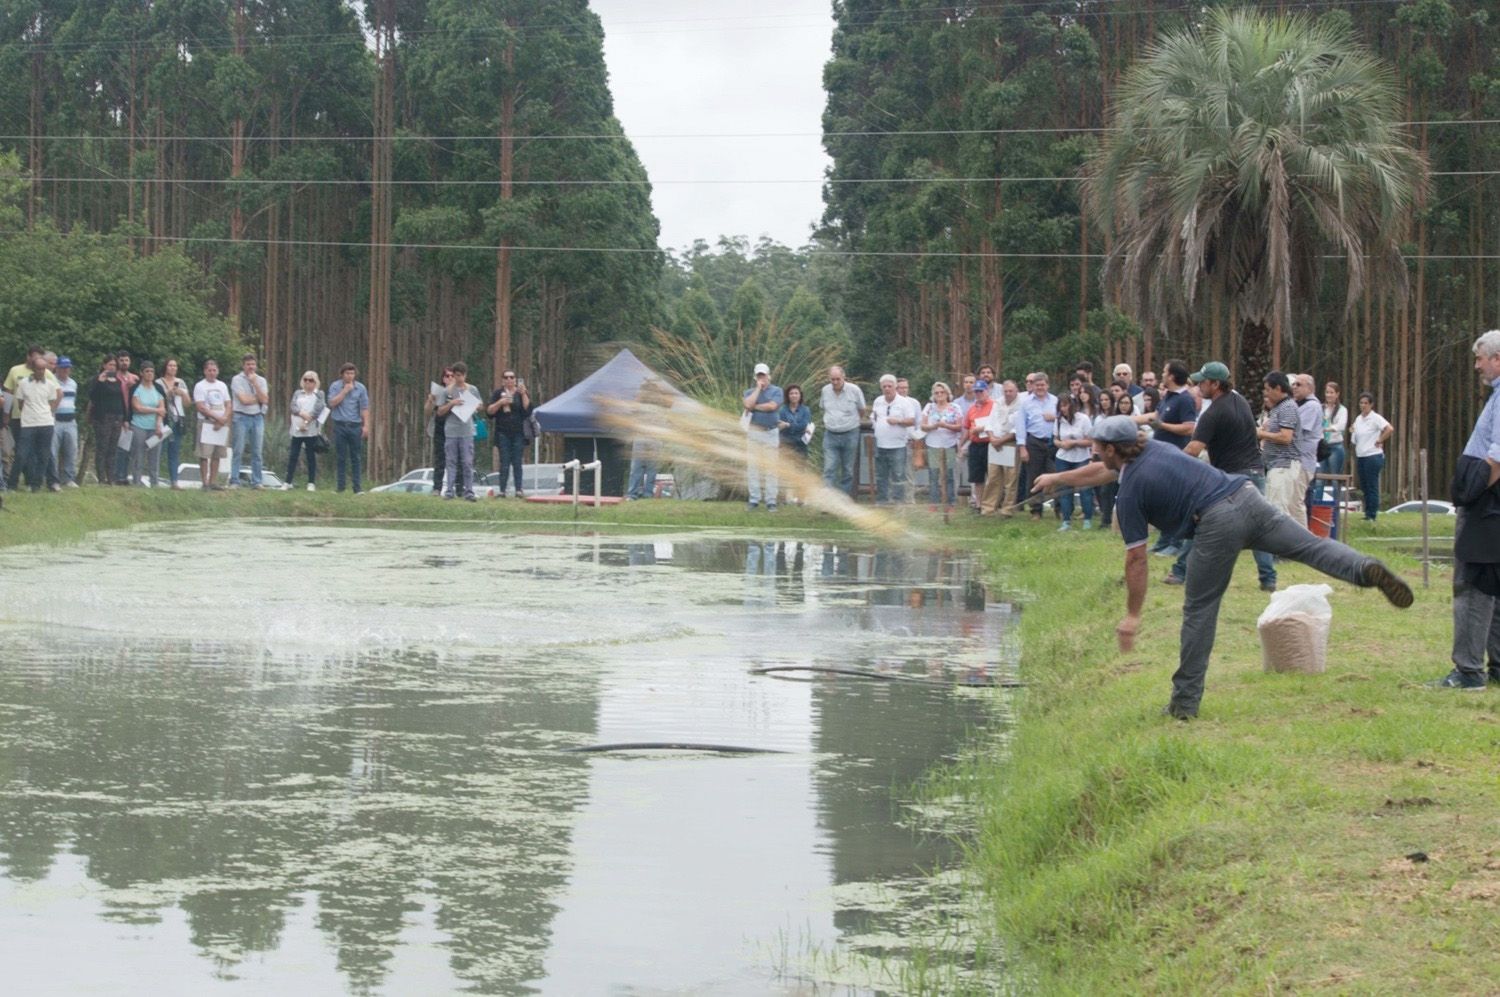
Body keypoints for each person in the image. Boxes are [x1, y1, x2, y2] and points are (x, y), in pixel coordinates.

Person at [1032, 416, 1413, 719]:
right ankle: (1366, 569)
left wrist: (1132, 615)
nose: (1096, 456)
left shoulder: (1132, 491)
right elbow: (1106, 471)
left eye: (1098, 450)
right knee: (1311, 547)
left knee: (1199, 609)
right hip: (1246, 496)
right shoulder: (1152, 449)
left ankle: (1184, 704)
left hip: (1215, 521)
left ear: (1113, 449)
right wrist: (1057, 478)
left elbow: (1136, 558)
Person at [1167, 362, 1278, 592]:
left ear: (1216, 384)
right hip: (1255, 472)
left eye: (1202, 382)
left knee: (1200, 521)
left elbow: (1193, 449)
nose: (1198, 386)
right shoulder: (1241, 402)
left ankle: (1180, 572)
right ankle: (1268, 579)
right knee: (1260, 527)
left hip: (1230, 478)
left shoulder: (1213, 413)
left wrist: (1167, 463)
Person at [1430, 330, 1500, 689]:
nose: (1477, 366)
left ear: (1498, 359)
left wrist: (1473, 491)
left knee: (1472, 583)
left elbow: (1497, 456)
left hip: (1487, 506)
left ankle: (1468, 671)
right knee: (1494, 583)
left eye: (1480, 359)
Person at [1257, 371, 1304, 524]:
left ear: (1278, 388)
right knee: (1273, 507)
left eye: (1268, 389)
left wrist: (1261, 434)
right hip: (1275, 465)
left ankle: (1285, 546)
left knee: (1278, 511)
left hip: (1284, 465)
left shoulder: (1288, 407)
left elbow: (1286, 437)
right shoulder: (1278, 407)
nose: (1266, 393)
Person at [13, 351, 61, 491]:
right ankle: (12, 483)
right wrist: (29, 413)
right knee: (22, 453)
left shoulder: (50, 384)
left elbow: (52, 401)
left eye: (43, 369)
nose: (41, 371)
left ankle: (36, 484)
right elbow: (20, 403)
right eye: (38, 368)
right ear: (33, 369)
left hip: (45, 422)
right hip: (28, 423)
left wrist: (47, 413)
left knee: (44, 455)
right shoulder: (23, 383)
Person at [437, 362, 482, 501]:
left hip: (466, 430)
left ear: (465, 375)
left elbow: (480, 405)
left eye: (461, 376)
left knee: (467, 462)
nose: (458, 379)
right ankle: (449, 491)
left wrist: (473, 406)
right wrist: (451, 404)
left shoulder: (472, 389)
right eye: (456, 376)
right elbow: (439, 411)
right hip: (451, 430)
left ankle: (469, 491)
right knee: (451, 461)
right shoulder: (447, 391)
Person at [742, 362, 784, 511]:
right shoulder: (749, 392)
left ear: (769, 376)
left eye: (764, 375)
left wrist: (755, 407)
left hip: (771, 432)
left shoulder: (777, 391)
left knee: (771, 468)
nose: (762, 378)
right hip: (754, 432)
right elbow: (747, 404)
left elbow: (772, 406)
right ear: (756, 377)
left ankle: (771, 501)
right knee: (753, 467)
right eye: (759, 375)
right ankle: (754, 499)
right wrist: (758, 389)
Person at [819, 366, 866, 497]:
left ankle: (844, 499)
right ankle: (828, 501)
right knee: (829, 468)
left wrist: (850, 423)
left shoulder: (854, 390)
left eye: (837, 379)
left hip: (850, 433)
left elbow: (861, 410)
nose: (835, 382)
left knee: (848, 470)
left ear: (843, 377)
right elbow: (824, 408)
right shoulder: (825, 390)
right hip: (830, 434)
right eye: (832, 379)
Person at [871, 374, 917, 505]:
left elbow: (911, 421)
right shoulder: (878, 401)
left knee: (898, 475)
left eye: (889, 386)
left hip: (898, 445)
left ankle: (898, 501)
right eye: (884, 386)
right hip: (880, 444)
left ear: (895, 387)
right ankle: (882, 501)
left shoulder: (904, 402)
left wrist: (898, 421)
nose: (887, 389)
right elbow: (873, 416)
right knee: (881, 475)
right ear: (881, 387)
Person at [980, 380, 1023, 516]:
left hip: (1010, 443)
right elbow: (990, 423)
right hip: (994, 443)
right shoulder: (998, 402)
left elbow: (1019, 428)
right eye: (1006, 391)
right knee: (993, 477)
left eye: (1011, 391)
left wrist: (1002, 440)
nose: (1008, 394)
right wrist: (992, 438)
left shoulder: (1022, 404)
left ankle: (1007, 509)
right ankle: (988, 508)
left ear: (1017, 391)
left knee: (1011, 479)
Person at [325, 362, 369, 494]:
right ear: (342, 374)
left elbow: (365, 408)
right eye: (347, 373)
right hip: (340, 425)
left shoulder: (361, 388)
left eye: (352, 373)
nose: (350, 376)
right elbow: (332, 403)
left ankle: (357, 488)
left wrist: (366, 425)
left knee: (356, 457)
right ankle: (340, 487)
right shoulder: (335, 386)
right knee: (341, 457)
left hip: (355, 426)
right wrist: (344, 391)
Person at [1018, 372, 1058, 518]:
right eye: (1037, 385)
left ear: (1047, 385)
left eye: (1043, 385)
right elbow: (1021, 426)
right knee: (1034, 478)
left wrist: (1054, 417)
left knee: (1056, 475)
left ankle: (1059, 509)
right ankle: (1036, 510)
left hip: (1053, 442)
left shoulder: (1055, 401)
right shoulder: (1026, 403)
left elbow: (1064, 418)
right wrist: (1022, 448)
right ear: (1032, 386)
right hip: (1034, 442)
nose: (1040, 387)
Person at [486, 369, 531, 498]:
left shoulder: (520, 392)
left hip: (518, 433)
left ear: (515, 379)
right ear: (503, 380)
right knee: (504, 462)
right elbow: (489, 412)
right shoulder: (498, 393)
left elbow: (528, 410)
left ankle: (518, 490)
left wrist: (523, 394)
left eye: (512, 377)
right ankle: (502, 490)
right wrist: (501, 402)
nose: (509, 380)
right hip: (502, 433)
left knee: (517, 462)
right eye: (506, 377)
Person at [1053, 393, 1095, 530]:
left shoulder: (1083, 419)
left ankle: (1087, 519)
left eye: (1065, 405)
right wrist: (1061, 444)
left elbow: (1090, 441)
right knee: (1065, 489)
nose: (1063, 409)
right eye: (1061, 406)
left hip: (1081, 457)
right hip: (1063, 457)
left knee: (1085, 489)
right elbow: (1055, 439)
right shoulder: (1058, 420)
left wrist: (1075, 442)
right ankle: (1066, 520)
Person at [920, 382, 963, 511]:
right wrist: (934, 426)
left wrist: (946, 426)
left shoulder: (955, 407)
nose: (939, 395)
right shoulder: (929, 407)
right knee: (934, 475)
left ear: (947, 393)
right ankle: (934, 503)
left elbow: (959, 426)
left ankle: (951, 503)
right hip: (933, 445)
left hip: (949, 445)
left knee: (949, 475)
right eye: (936, 393)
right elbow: (923, 426)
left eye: (942, 392)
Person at [229, 353, 269, 488]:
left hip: (257, 417)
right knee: (238, 450)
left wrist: (254, 383)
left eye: (253, 364)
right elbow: (244, 400)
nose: (251, 367)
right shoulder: (237, 379)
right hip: (241, 417)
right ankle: (234, 480)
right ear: (243, 365)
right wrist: (257, 398)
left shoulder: (261, 380)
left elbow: (265, 399)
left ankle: (257, 481)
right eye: (248, 364)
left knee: (257, 451)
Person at [1350, 392, 1393, 520]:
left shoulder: (1375, 418)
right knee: (1364, 486)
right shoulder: (1358, 419)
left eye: (1366, 403)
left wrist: (1380, 439)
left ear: (1371, 405)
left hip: (1373, 455)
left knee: (1371, 485)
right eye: (1361, 403)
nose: (1363, 405)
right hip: (1361, 455)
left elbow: (1389, 428)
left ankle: (1372, 514)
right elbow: (1355, 438)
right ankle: (1367, 512)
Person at [192, 359, 232, 491]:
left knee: (217, 454)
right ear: (205, 371)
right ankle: (205, 483)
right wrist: (217, 418)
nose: (212, 373)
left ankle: (213, 481)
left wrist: (224, 418)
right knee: (205, 454)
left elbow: (228, 404)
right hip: (207, 422)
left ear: (218, 371)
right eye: (209, 370)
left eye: (214, 370)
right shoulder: (200, 386)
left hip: (222, 422)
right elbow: (201, 407)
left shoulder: (222, 385)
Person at [87, 355, 127, 487]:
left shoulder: (118, 381)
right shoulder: (97, 380)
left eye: (114, 366)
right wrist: (100, 381)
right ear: (104, 365)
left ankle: (111, 477)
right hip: (103, 417)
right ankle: (101, 477)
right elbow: (93, 396)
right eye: (110, 365)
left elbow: (121, 399)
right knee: (102, 447)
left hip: (117, 416)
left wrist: (125, 417)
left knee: (112, 448)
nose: (112, 368)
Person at [126, 362, 165, 487]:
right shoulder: (137, 389)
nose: (149, 374)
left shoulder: (157, 388)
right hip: (139, 425)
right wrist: (155, 410)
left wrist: (159, 424)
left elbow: (162, 409)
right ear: (141, 373)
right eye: (147, 371)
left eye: (151, 371)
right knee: (138, 455)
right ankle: (136, 481)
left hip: (154, 426)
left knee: (154, 456)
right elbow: (137, 408)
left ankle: (155, 483)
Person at [286, 370, 325, 491]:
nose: (308, 382)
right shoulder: (298, 393)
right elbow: (293, 406)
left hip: (311, 430)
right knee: (293, 455)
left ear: (315, 382)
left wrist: (307, 421)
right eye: (305, 379)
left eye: (311, 380)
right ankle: (288, 481)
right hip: (297, 429)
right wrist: (302, 414)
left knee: (310, 456)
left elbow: (319, 408)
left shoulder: (319, 394)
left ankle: (311, 482)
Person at [158, 358, 191, 489]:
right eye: (170, 365)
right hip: (165, 419)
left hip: (178, 419)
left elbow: (188, 403)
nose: (173, 368)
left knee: (174, 451)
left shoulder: (181, 382)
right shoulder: (159, 382)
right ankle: (154, 477)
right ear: (165, 367)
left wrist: (182, 393)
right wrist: (168, 393)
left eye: (175, 366)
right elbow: (156, 399)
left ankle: (174, 481)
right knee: (160, 450)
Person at [1292, 373, 1323, 509]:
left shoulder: (1312, 406)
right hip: (1295, 461)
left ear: (1310, 388)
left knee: (1296, 503)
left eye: (1299, 384)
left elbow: (1295, 431)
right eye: (1293, 384)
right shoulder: (1298, 404)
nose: (1294, 387)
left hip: (1303, 461)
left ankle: (1302, 530)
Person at [963, 379, 995, 511]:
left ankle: (991, 504)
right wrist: (961, 444)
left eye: (981, 391)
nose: (978, 394)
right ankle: (979, 504)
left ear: (987, 391)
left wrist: (982, 428)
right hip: (975, 444)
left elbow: (997, 422)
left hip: (990, 443)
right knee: (977, 477)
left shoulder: (994, 405)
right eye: (976, 391)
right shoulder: (972, 409)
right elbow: (966, 427)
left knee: (993, 475)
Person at [110, 350, 139, 484]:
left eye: (126, 360)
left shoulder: (135, 378)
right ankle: (116, 475)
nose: (124, 363)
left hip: (132, 414)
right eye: (121, 360)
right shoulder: (114, 376)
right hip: (117, 413)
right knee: (117, 447)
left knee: (127, 447)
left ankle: (124, 475)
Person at [50, 357, 79, 489]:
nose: (65, 370)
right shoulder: (52, 381)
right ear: (57, 368)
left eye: (68, 368)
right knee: (53, 451)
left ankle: (68, 478)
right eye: (63, 367)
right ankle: (53, 479)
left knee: (71, 450)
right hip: (56, 420)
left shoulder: (73, 383)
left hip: (70, 421)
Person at [1318, 381, 1348, 500]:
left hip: (1335, 446)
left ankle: (1335, 509)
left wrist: (1326, 429)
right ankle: (1317, 507)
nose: (1329, 395)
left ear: (1337, 394)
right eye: (1327, 392)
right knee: (1320, 479)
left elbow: (1341, 426)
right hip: (1322, 445)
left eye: (1331, 392)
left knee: (1335, 479)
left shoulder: (1342, 410)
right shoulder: (1320, 408)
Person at [425, 367, 453, 495]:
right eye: (447, 376)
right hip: (440, 429)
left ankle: (456, 488)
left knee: (456, 461)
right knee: (440, 460)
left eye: (452, 375)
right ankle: (437, 488)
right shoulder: (438, 392)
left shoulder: (461, 391)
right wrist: (431, 401)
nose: (450, 378)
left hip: (456, 430)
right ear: (443, 379)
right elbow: (427, 412)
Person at [778, 382, 813, 463]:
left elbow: (803, 425)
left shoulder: (805, 410)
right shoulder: (782, 410)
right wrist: (798, 427)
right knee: (785, 471)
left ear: (800, 395)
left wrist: (788, 424)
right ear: (788, 396)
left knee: (800, 471)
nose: (794, 395)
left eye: (796, 393)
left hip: (800, 445)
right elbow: (781, 427)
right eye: (791, 393)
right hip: (785, 444)